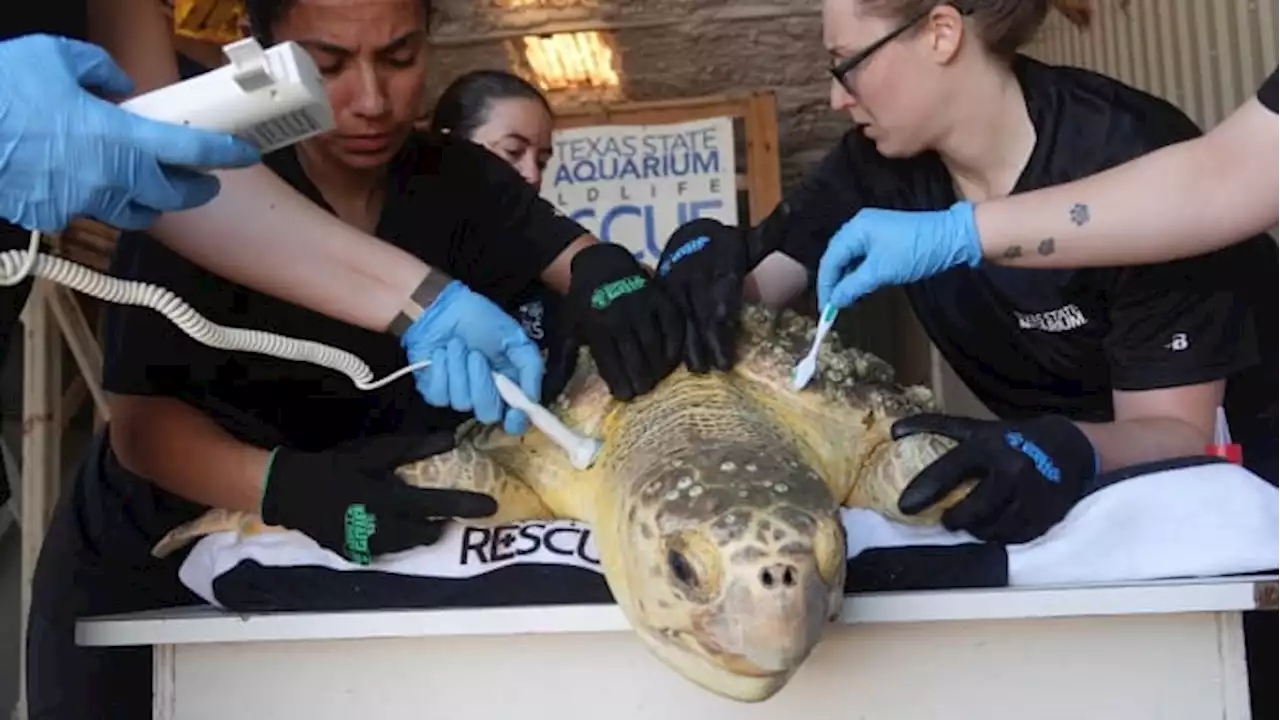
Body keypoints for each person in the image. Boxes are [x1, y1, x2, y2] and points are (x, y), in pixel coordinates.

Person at [22, 1, 681, 717]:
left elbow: (572, 258)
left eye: (399, 58)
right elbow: (142, 431)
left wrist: (610, 278)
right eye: (326, 64)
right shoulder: (196, 180)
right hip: (154, 577)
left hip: (351, 571)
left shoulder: (458, 180)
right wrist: (287, 489)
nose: (371, 101)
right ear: (258, 51)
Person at [658, 0, 1280, 540]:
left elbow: (1177, 436)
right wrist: (703, 266)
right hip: (1048, 499)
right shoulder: (873, 167)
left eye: (848, 63)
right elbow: (758, 288)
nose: (836, 96)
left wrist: (1064, 444)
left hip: (1239, 495)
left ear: (941, 33)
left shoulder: (1127, 149)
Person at [814, 66, 1280, 291]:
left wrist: (957, 235)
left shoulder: (1113, 133)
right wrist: (963, 233)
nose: (837, 98)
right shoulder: (870, 160)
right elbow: (1226, 174)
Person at [427, 69, 578, 393]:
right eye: (512, 151)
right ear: (448, 146)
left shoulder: (543, 265)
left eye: (542, 161)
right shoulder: (385, 252)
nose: (532, 175)